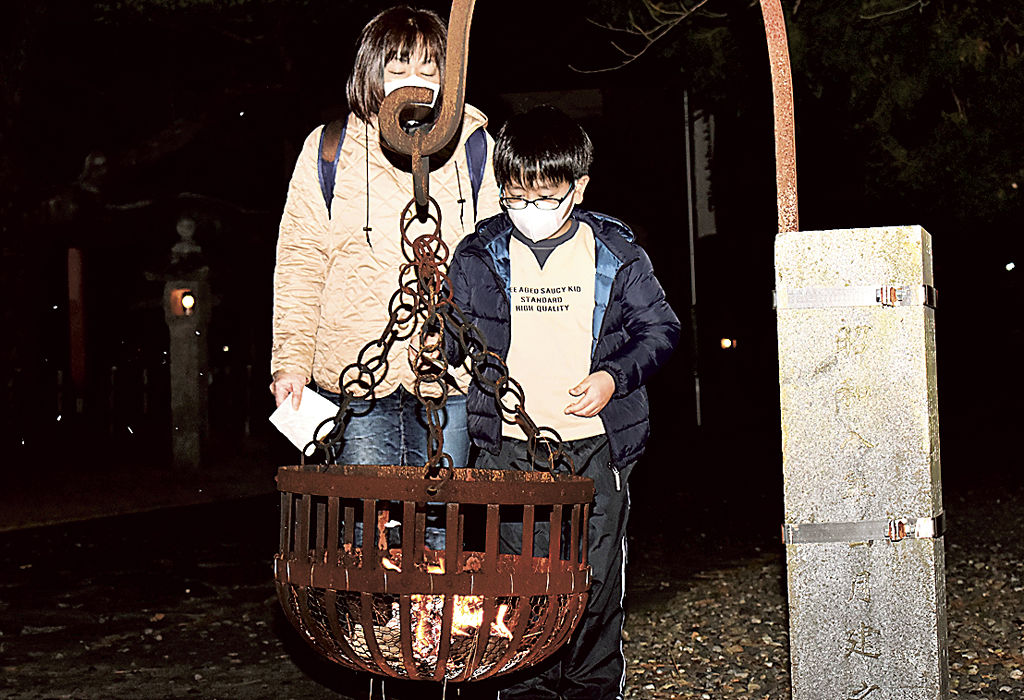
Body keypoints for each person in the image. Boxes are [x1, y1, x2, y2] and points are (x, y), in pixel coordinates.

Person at [445, 105, 680, 699]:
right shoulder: (478, 256)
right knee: (521, 590)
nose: (528, 215)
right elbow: (455, 337)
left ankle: (593, 691)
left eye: (544, 200)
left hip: (594, 449)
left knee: (594, 589)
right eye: (515, 200)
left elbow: (661, 331)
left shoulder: (616, 254)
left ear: (578, 188)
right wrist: (437, 335)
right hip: (511, 450)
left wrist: (613, 377)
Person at [269, 5, 501, 473]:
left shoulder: (475, 147)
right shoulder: (328, 149)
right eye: (397, 68)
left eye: (427, 68)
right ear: (372, 73)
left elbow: (497, 262)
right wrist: (290, 361)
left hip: (447, 378)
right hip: (356, 376)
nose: (413, 80)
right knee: (366, 526)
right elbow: (300, 262)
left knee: (441, 527)